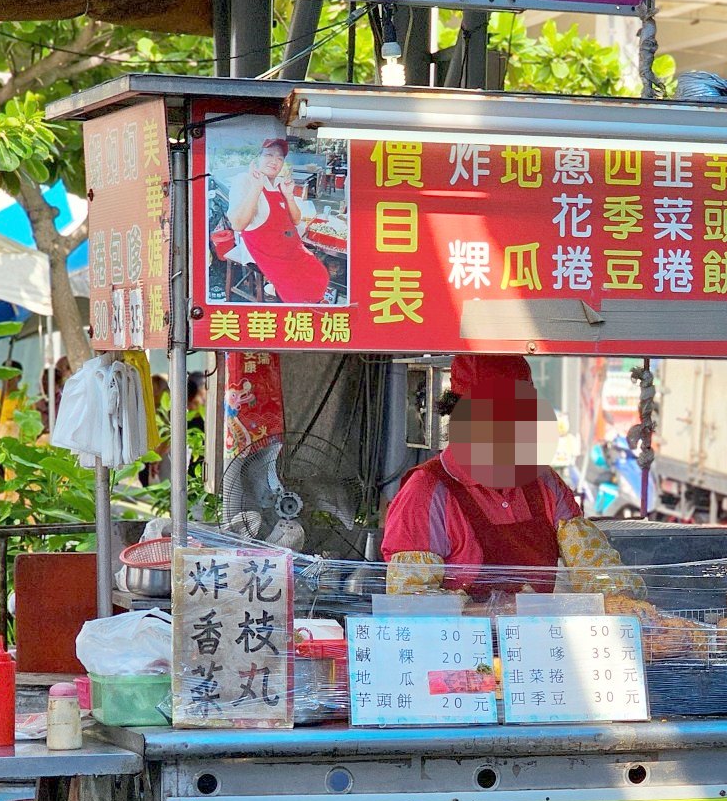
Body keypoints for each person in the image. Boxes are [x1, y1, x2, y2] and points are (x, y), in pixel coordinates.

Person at [381, 355, 632, 601]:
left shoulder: (542, 480)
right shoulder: (426, 491)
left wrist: (617, 597)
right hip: (464, 641)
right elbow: (410, 601)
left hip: (535, 638)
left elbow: (590, 558)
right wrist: (493, 611)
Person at [226, 138, 330, 305]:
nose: (275, 161)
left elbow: (296, 220)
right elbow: (238, 225)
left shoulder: (279, 184)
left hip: (289, 249)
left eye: (280, 158)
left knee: (320, 274)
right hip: (266, 253)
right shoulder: (244, 180)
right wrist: (256, 188)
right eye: (269, 155)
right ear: (257, 158)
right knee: (302, 291)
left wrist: (289, 196)